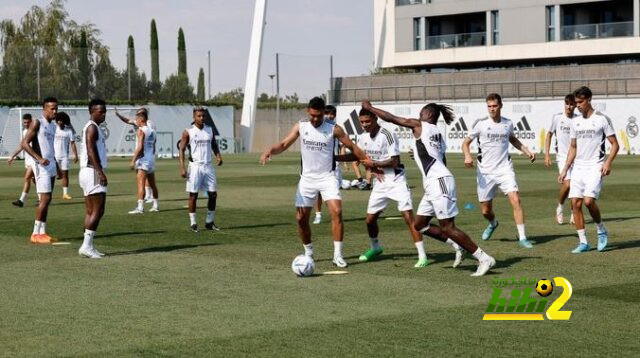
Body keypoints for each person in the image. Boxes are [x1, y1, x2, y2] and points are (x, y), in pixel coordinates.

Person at [363, 100, 493, 276]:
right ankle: (457, 245)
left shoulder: (420, 125)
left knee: (447, 227)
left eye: (421, 113)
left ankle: (483, 258)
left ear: (428, 115)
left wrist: (370, 108)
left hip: (438, 182)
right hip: (435, 183)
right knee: (420, 224)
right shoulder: (437, 133)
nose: (418, 116)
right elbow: (440, 159)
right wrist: (417, 153)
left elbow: (393, 118)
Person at [260, 97, 368, 268]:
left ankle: (337, 255)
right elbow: (284, 143)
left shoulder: (334, 129)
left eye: (318, 116)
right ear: (307, 112)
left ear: (324, 113)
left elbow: (353, 147)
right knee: (301, 218)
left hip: (328, 178)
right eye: (312, 115)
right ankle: (308, 251)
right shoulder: (301, 126)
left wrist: (367, 160)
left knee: (337, 211)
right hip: (307, 180)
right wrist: (269, 151)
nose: (315, 119)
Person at [337, 107, 429, 267]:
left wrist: (374, 164)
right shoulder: (363, 137)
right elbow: (356, 155)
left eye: (367, 121)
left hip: (396, 179)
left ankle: (422, 256)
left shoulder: (387, 134)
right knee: (370, 220)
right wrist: (333, 157)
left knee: (408, 217)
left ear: (375, 119)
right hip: (379, 182)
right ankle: (375, 247)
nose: (364, 125)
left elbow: (395, 161)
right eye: (362, 122)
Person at [462, 93, 536, 249]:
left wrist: (526, 151)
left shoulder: (508, 123)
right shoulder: (480, 123)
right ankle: (493, 223)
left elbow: (512, 139)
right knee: (485, 210)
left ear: (500, 105)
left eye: (495, 106)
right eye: (489, 106)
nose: (492, 109)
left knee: (516, 199)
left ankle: (522, 237)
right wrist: (468, 156)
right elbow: (465, 143)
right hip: (485, 172)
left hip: (504, 169)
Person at [559, 86, 619, 253]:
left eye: (581, 102)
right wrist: (565, 169)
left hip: (595, 166)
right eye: (576, 102)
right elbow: (573, 147)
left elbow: (615, 144)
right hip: (578, 167)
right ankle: (583, 242)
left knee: (588, 201)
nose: (578, 105)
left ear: (589, 99)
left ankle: (601, 230)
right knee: (575, 204)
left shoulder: (602, 119)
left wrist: (608, 162)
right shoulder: (575, 122)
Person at [20, 97, 59, 244]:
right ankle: (35, 233)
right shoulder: (38, 122)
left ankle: (42, 232)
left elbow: (51, 148)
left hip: (51, 166)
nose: (55, 111)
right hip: (41, 166)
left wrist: (58, 166)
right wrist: (39, 158)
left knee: (47, 200)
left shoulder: (53, 126)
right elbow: (24, 143)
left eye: (56, 108)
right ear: (44, 109)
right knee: (45, 198)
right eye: (52, 108)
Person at [178, 107, 223, 232]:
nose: (201, 118)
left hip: (208, 166)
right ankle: (193, 223)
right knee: (193, 195)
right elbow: (181, 149)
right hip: (195, 166)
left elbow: (214, 144)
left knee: (213, 194)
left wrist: (218, 156)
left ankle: (209, 222)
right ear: (194, 117)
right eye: (199, 116)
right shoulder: (188, 132)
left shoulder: (209, 130)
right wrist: (182, 168)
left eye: (203, 116)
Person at [78, 99, 109, 258]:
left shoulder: (92, 127)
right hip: (92, 171)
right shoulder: (92, 128)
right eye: (100, 111)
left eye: (104, 111)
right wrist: (100, 172)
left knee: (91, 211)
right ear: (91, 111)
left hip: (87, 171)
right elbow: (91, 151)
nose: (103, 114)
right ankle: (86, 246)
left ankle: (87, 245)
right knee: (98, 209)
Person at [545, 94, 578, 225]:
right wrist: (547, 155)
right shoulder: (557, 118)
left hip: (577, 157)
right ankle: (560, 207)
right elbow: (549, 135)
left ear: (575, 105)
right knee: (568, 184)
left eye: (571, 104)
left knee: (575, 187)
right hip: (562, 157)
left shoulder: (578, 119)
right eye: (567, 104)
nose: (569, 107)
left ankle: (574, 213)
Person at [115, 108, 157, 203]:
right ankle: (153, 201)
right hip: (149, 155)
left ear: (142, 116)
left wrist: (133, 160)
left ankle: (143, 202)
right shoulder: (148, 125)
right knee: (150, 180)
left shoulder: (145, 126)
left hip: (144, 155)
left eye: (138, 115)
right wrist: (119, 116)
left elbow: (142, 145)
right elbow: (127, 120)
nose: (136, 117)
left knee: (141, 180)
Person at [128, 109, 159, 214]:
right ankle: (155, 205)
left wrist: (133, 160)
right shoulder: (153, 131)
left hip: (143, 160)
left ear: (142, 118)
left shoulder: (141, 130)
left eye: (137, 118)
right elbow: (154, 145)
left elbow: (140, 147)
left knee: (140, 184)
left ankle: (140, 208)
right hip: (151, 159)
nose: (136, 120)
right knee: (153, 184)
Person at [313, 105, 340, 224]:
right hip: (320, 165)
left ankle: (334, 214)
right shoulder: (318, 128)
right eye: (327, 114)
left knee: (333, 191)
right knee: (317, 191)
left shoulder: (337, 129)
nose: (330, 116)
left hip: (335, 165)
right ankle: (318, 215)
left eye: (332, 114)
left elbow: (342, 146)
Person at [7, 113, 36, 207]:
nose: (26, 124)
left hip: (35, 160)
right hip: (28, 159)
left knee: (27, 178)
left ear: (31, 121)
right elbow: (22, 145)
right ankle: (42, 198)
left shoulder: (35, 131)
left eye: (28, 122)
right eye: (24, 122)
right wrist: (13, 156)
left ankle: (21, 200)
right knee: (34, 180)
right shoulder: (24, 131)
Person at [53, 112, 78, 200]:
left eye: (61, 121)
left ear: (65, 121)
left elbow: (72, 143)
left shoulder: (69, 131)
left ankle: (65, 194)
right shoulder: (54, 129)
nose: (59, 122)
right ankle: (47, 193)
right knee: (51, 175)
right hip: (54, 156)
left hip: (64, 156)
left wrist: (76, 155)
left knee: (65, 175)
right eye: (58, 120)